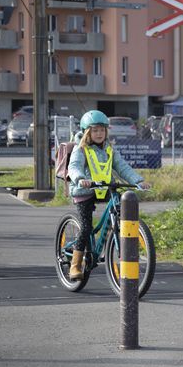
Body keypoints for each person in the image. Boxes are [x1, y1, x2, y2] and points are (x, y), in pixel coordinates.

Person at [67, 110, 149, 280]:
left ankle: (116, 233)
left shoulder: (109, 149)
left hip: (104, 189)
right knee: (86, 227)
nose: (99, 134)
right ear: (87, 132)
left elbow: (123, 167)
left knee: (120, 205)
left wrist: (138, 181)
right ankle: (75, 265)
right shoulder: (80, 149)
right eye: (95, 130)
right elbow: (73, 167)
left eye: (102, 130)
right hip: (85, 191)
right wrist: (81, 179)